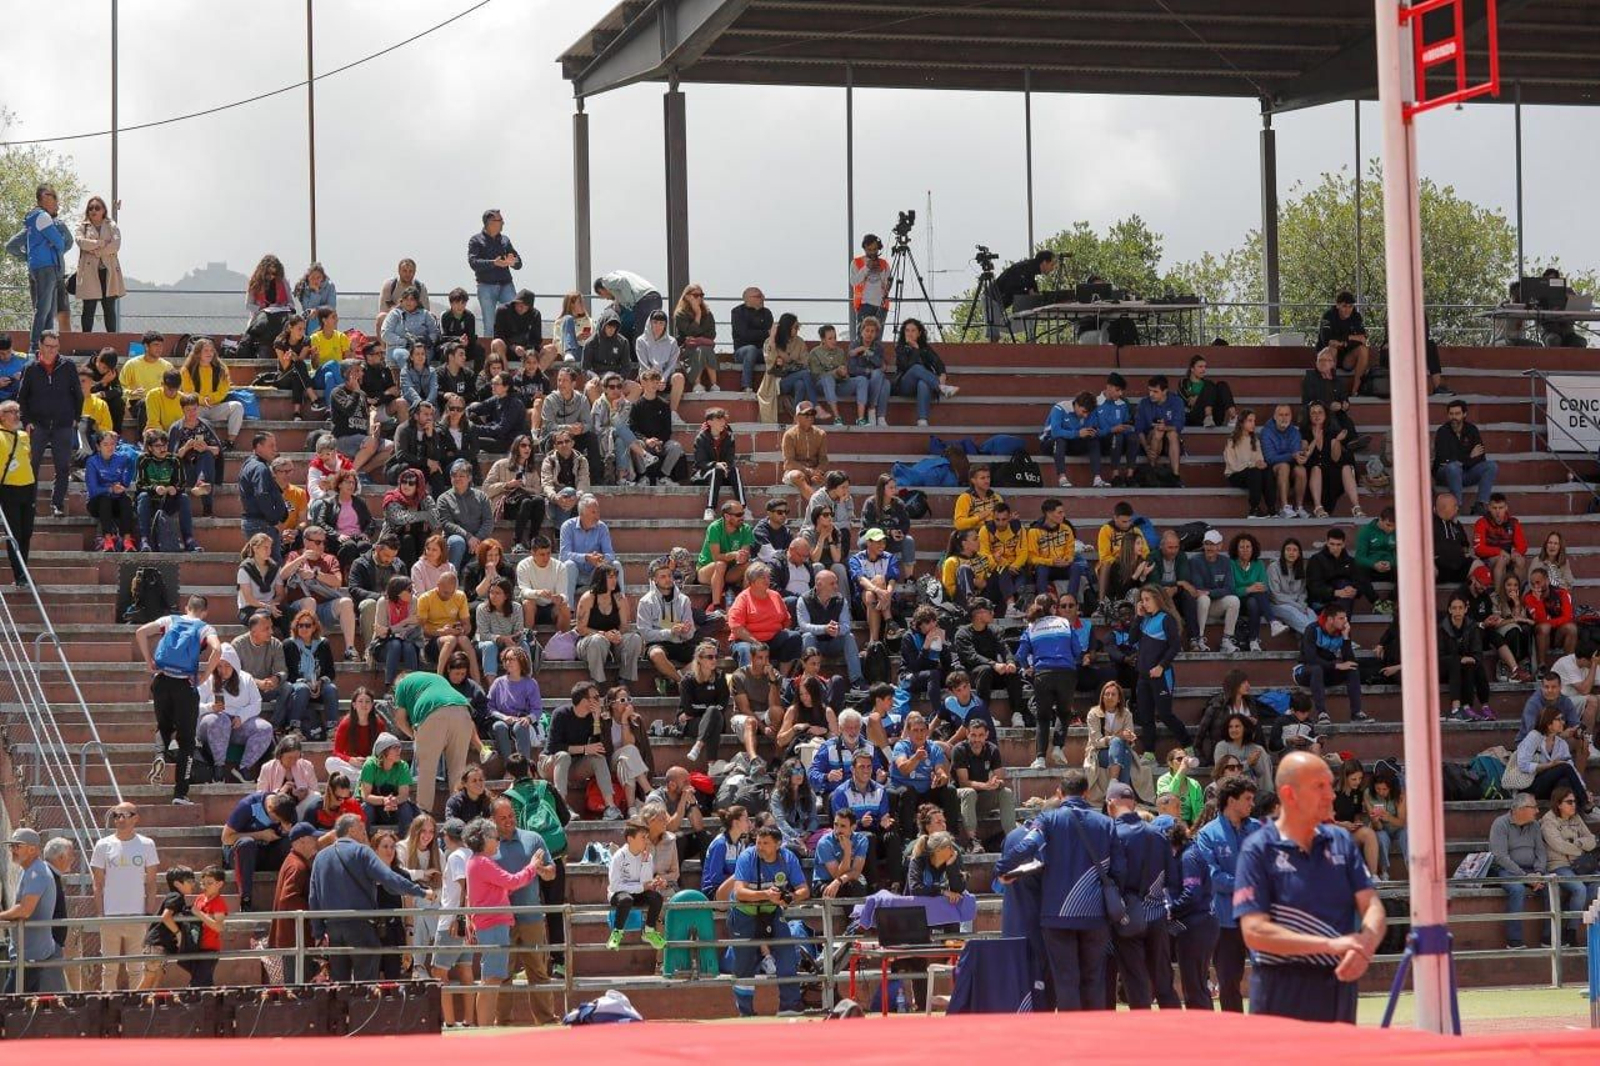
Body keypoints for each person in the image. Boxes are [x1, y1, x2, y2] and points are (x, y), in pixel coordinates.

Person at [1235, 751, 1386, 1023]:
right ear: (1289, 794)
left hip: (1339, 989)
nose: (1330, 795)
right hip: (1281, 992)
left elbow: (1372, 905)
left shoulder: (1341, 841)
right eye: (1320, 786)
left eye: (1330, 784)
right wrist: (1330, 945)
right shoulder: (1258, 849)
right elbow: (1255, 932)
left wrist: (1366, 942)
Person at [993, 769, 1119, 1011]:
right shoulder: (1106, 823)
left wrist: (1001, 868)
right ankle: (1095, 1031)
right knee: (1094, 978)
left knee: (1066, 979)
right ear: (1087, 792)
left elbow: (1027, 845)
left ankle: (1071, 1033)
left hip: (1057, 914)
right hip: (1095, 915)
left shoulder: (1049, 820)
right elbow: (1119, 867)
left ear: (1060, 793)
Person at [309, 813, 433, 981]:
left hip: (333, 929)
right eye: (361, 829)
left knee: (339, 984)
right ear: (351, 830)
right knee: (366, 985)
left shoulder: (320, 857)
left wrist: (318, 933)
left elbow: (313, 897)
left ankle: (344, 1007)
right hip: (360, 925)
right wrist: (421, 891)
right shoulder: (362, 852)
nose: (364, 834)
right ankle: (361, 1008)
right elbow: (389, 878)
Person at [727, 825, 811, 1017]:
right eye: (758, 842)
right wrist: (766, 894)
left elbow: (803, 889)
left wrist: (790, 897)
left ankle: (789, 1005)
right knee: (744, 965)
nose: (760, 847)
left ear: (778, 845)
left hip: (772, 912)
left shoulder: (788, 858)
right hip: (744, 913)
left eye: (766, 843)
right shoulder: (747, 857)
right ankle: (746, 1012)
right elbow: (739, 892)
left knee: (787, 952)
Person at [1193, 775, 1257, 1012]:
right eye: (1248, 799)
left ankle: (1272, 1029)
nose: (1252, 804)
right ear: (1232, 800)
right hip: (1225, 919)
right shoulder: (1208, 834)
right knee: (1229, 980)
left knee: (1271, 975)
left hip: (1258, 917)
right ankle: (1235, 1033)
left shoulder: (1258, 829)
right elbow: (1213, 877)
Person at [90, 802, 159, 991]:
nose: (120, 819)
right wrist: (101, 914)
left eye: (125, 815)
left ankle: (136, 1008)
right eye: (116, 816)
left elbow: (152, 883)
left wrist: (148, 913)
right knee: (109, 969)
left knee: (136, 968)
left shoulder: (147, 844)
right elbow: (97, 883)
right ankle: (107, 1006)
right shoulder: (103, 845)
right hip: (111, 915)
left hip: (136, 916)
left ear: (136, 818)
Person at [389, 669, 477, 815]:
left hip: (433, 714)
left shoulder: (402, 683)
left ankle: (423, 814)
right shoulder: (436, 678)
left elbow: (399, 719)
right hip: (463, 712)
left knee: (426, 770)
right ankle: (459, 813)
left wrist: (414, 735)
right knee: (458, 770)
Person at [18, 330, 80, 520]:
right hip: (38, 425)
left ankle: (57, 504)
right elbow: (22, 397)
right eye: (48, 346)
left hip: (63, 424)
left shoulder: (67, 366)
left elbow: (77, 393)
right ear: (40, 346)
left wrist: (75, 417)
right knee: (32, 466)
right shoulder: (30, 368)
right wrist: (26, 421)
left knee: (62, 466)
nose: (52, 350)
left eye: (55, 346)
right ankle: (30, 503)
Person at [1488, 793, 1562, 950]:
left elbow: (1541, 852)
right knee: (1517, 889)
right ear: (1520, 809)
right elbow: (1500, 856)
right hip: (1507, 870)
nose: (1537, 811)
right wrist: (1524, 877)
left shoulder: (1534, 825)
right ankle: (1514, 941)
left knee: (1551, 886)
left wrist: (1539, 873)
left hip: (1532, 871)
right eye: (1533, 807)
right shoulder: (1500, 824)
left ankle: (1549, 938)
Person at [1134, 585, 1194, 752]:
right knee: (1146, 718)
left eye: (1147, 599)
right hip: (1143, 677)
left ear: (1158, 599)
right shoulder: (1144, 619)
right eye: (1142, 600)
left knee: (1165, 715)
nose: (1144, 603)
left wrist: (1161, 666)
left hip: (1161, 675)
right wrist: (1138, 617)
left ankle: (1188, 745)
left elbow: (1175, 647)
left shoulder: (1166, 619)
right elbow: (1132, 639)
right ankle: (1149, 753)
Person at [889, 712, 964, 844]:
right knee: (908, 791)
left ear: (927, 731)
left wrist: (941, 778)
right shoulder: (901, 746)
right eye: (915, 731)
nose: (919, 734)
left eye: (922, 730)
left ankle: (953, 836)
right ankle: (907, 838)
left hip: (926, 790)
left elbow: (941, 770)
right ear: (909, 732)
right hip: (905, 790)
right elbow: (904, 769)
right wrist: (916, 758)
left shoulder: (933, 748)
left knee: (950, 790)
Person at [1540, 786, 1600, 946]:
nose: (1574, 805)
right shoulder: (1548, 821)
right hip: (1558, 865)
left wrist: (1577, 842)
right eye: (1569, 802)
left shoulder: (1576, 818)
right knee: (1579, 889)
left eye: (1575, 801)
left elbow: (1592, 840)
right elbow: (1558, 845)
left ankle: (1569, 917)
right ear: (1558, 804)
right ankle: (1571, 933)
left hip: (1579, 865)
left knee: (1596, 885)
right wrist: (1580, 849)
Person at [1508, 704, 1592, 811]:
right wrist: (1549, 766)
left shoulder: (1561, 744)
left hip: (1548, 789)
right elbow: (1523, 765)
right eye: (1559, 719)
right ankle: (1584, 802)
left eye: (1563, 719)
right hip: (1528, 786)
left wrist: (1583, 788)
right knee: (1564, 767)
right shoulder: (1534, 737)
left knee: (1564, 782)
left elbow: (1572, 770)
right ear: (1548, 723)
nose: (1563, 722)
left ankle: (1565, 817)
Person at [575, 563, 644, 685]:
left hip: (613, 641)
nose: (614, 580)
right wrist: (603, 634)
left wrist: (617, 634)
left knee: (634, 639)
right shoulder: (588, 598)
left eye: (615, 576)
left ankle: (624, 680)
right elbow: (581, 628)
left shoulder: (619, 599)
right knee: (597, 640)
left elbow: (624, 626)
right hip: (589, 642)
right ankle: (597, 681)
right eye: (610, 577)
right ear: (601, 579)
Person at [952, 717, 1016, 849]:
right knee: (969, 793)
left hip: (982, 798)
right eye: (973, 735)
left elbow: (1000, 779)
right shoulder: (959, 750)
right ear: (967, 734)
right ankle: (973, 841)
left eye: (981, 735)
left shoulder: (992, 750)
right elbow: (963, 782)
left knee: (1006, 793)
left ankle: (1012, 838)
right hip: (960, 800)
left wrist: (996, 783)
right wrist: (986, 785)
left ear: (986, 735)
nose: (977, 739)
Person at [607, 820, 671, 951]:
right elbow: (614, 886)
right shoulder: (619, 857)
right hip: (619, 895)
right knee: (626, 899)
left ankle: (649, 931)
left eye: (647, 837)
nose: (646, 841)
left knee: (656, 897)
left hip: (638, 893)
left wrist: (646, 864)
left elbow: (646, 883)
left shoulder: (648, 856)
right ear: (630, 839)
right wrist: (641, 887)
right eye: (643, 837)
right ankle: (616, 933)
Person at [796, 568, 864, 687]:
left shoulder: (841, 600)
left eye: (836, 583)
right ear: (819, 585)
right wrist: (824, 629)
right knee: (807, 636)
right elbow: (803, 626)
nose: (836, 587)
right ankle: (809, 679)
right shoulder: (804, 600)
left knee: (849, 636)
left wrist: (838, 630)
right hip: (815, 643)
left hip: (834, 642)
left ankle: (857, 680)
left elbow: (846, 625)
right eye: (832, 583)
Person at [134, 865, 196, 992]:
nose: (193, 884)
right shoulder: (176, 896)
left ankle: (149, 1002)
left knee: (158, 974)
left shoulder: (178, 897)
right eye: (189, 881)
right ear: (177, 884)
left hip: (162, 944)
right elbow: (166, 917)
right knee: (149, 976)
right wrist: (178, 934)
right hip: (157, 943)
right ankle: (133, 1002)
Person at [1432, 399, 1498, 513]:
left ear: (1464, 414)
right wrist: (1469, 458)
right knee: (1453, 467)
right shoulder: (1442, 432)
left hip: (1467, 472)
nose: (1454, 417)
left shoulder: (1472, 430)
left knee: (1491, 466)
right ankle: (1456, 506)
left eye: (1457, 414)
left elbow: (1480, 457)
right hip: (1446, 474)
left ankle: (1480, 504)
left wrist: (1462, 461)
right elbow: (1445, 460)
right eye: (1451, 414)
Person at [1440, 592, 1493, 721]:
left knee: (1473, 665)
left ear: (1465, 609)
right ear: (1449, 610)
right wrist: (1459, 659)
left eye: (1460, 608)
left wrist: (1470, 659)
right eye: (1454, 608)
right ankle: (1456, 709)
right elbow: (1439, 656)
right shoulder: (1441, 628)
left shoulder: (1472, 627)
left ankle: (1482, 706)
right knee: (1456, 662)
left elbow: (1477, 652)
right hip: (1444, 668)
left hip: (1464, 666)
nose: (1457, 611)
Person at [892, 318, 953, 427]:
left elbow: (938, 363)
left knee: (923, 383)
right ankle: (940, 387)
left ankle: (922, 420)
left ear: (919, 333)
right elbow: (906, 366)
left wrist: (942, 374)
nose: (910, 333)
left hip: (923, 385)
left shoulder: (924, 348)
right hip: (905, 385)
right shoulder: (900, 348)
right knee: (916, 368)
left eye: (913, 330)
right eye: (907, 330)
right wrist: (915, 349)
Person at [989, 249, 1058, 339]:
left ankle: (1031, 340)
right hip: (992, 299)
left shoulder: (1030, 270)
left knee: (1028, 320)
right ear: (1044, 262)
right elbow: (1012, 288)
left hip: (1000, 302)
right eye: (1052, 265)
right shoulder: (1024, 269)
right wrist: (1027, 293)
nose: (1052, 268)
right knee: (993, 335)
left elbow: (1033, 292)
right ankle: (1030, 340)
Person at [1306, 526, 1376, 611]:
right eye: (1332, 544)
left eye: (1338, 544)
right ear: (1327, 543)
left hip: (1343, 599)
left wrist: (1355, 591)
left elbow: (1360, 581)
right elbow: (1313, 587)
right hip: (1321, 602)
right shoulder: (1316, 560)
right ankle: (1342, 622)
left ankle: (1341, 621)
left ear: (1343, 544)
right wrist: (1335, 593)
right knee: (1343, 586)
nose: (1335, 548)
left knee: (1346, 585)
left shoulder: (1350, 561)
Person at [1317, 291, 1373, 397]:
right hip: (1328, 357)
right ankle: (1331, 390)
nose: (1347, 310)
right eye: (1344, 306)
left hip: (1347, 357)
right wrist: (1350, 337)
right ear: (1337, 305)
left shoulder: (1356, 316)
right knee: (1333, 348)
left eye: (1350, 306)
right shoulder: (1328, 316)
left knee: (1363, 350)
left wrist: (1343, 340)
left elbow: (1363, 338)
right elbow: (1327, 341)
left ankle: (1356, 390)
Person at [1136, 374, 1185, 483]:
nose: (1151, 394)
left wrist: (1165, 427)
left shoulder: (1176, 401)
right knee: (1158, 432)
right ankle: (1152, 470)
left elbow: (1179, 426)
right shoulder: (1144, 403)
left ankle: (1176, 476)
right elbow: (1139, 430)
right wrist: (1146, 448)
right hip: (1151, 440)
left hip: (1169, 441)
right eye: (1150, 390)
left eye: (1155, 391)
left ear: (1164, 391)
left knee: (1172, 433)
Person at [1262, 403, 1309, 518]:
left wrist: (1299, 456)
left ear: (1291, 416)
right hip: (1272, 468)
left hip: (1290, 465)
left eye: (1287, 415)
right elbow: (1270, 458)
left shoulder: (1294, 432)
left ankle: (1299, 507)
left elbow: (1296, 453)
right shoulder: (1266, 432)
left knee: (1301, 470)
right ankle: (1285, 507)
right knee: (1284, 466)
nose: (1284, 418)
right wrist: (1292, 456)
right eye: (1281, 415)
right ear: (1275, 416)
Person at [1473, 492, 1528, 590]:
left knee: (1520, 560)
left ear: (1506, 507)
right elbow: (1478, 549)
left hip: (1508, 557)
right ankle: (1498, 597)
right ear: (1489, 508)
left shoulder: (1513, 522)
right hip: (1489, 560)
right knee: (1501, 560)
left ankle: (1517, 594)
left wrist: (1516, 553)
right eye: (1494, 508)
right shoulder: (1481, 522)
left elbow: (1523, 545)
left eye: (1501, 508)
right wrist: (1499, 552)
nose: (1498, 511)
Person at [1223, 410, 1273, 518]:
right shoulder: (1232, 440)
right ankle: (1254, 509)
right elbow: (1233, 465)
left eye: (1254, 421)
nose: (1253, 424)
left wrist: (1261, 463)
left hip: (1252, 473)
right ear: (1241, 423)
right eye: (1250, 421)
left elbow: (1259, 459)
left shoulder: (1255, 440)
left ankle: (1271, 508)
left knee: (1267, 472)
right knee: (1254, 472)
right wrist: (1251, 464)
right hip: (1235, 475)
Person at [729, 286, 773, 394]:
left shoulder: (766, 313)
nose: (762, 299)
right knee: (751, 349)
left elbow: (771, 336)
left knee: (777, 352)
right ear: (748, 298)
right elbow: (744, 335)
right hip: (742, 352)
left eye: (762, 296)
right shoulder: (737, 312)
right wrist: (765, 333)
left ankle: (775, 389)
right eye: (759, 296)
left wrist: (765, 334)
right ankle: (746, 386)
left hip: (763, 352)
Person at [850, 234, 892, 329]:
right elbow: (853, 282)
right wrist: (866, 268)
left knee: (877, 338)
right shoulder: (856, 262)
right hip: (864, 305)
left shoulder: (884, 264)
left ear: (878, 249)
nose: (872, 253)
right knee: (863, 337)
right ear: (864, 248)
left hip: (881, 305)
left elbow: (888, 286)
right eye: (869, 250)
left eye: (875, 250)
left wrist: (880, 273)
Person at [1156, 748, 1205, 826]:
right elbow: (1168, 798)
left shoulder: (1194, 784)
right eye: (1179, 759)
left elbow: (1200, 809)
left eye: (1185, 759)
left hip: (1190, 824)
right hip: (1169, 823)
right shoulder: (1163, 780)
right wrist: (1181, 771)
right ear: (1170, 764)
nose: (1183, 762)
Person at [1433, 491, 1473, 584]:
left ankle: (1491, 598)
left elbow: (1465, 543)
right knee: (1428, 570)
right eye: (1455, 506)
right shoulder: (1430, 524)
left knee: (1479, 567)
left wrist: (1465, 551)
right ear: (1444, 507)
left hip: (1459, 566)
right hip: (1439, 567)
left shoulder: (1456, 524)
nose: (1457, 508)